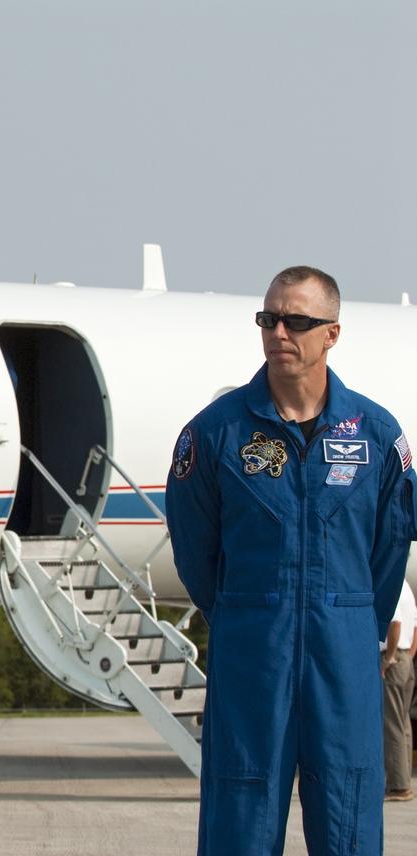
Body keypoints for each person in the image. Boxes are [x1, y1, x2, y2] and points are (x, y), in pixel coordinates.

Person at [166, 266, 417, 855]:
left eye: (296, 321)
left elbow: (391, 547)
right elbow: (196, 551)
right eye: (268, 318)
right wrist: (243, 614)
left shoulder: (378, 435)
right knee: (240, 815)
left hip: (345, 653)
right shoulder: (215, 435)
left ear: (331, 333)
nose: (279, 332)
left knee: (350, 813)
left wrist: (357, 623)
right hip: (253, 652)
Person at [382, 578, 417, 801]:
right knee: (402, 723)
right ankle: (403, 779)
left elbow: (394, 623)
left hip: (393, 659)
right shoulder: (406, 588)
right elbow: (414, 627)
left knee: (391, 723)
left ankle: (398, 786)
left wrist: (389, 658)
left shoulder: (390, 583)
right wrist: (408, 656)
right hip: (406, 659)